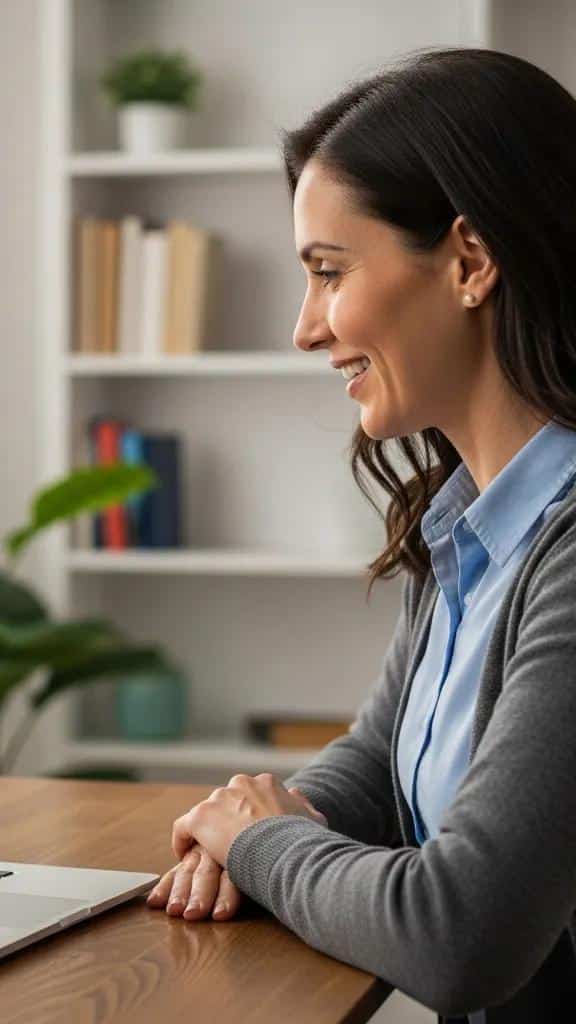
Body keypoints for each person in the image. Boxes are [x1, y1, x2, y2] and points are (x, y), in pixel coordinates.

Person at [145, 48, 576, 1022]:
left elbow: (459, 931)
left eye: (328, 272)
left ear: (469, 262)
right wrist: (252, 821)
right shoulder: (470, 515)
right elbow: (383, 759)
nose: (304, 327)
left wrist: (263, 845)